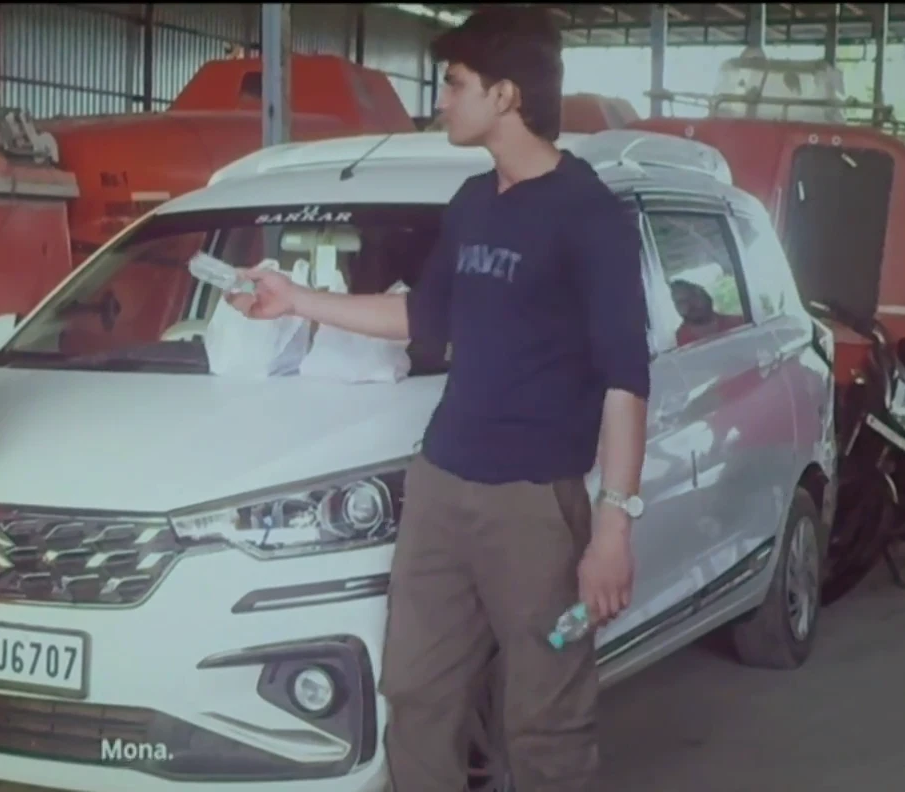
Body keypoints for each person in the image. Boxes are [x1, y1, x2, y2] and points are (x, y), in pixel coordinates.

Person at [226, 9, 647, 791]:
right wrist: (297, 300)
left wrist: (613, 526)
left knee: (545, 718)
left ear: (506, 95)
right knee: (417, 694)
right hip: (441, 486)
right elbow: (422, 319)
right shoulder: (473, 201)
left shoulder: (589, 214)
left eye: (454, 84)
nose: (440, 101)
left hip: (534, 506)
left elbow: (626, 375)